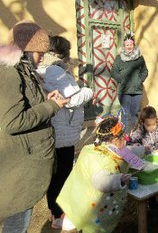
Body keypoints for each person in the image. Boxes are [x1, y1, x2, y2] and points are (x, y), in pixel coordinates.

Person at [0, 20, 69, 232]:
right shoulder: (11, 72)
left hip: (23, 163)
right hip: (19, 169)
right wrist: (50, 106)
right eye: (39, 54)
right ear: (27, 50)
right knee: (17, 221)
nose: (41, 59)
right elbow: (12, 121)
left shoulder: (21, 69)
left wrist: (46, 99)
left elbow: (22, 105)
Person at [36, 36, 94, 229]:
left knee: (59, 172)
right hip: (63, 130)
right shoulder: (54, 70)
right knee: (62, 173)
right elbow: (72, 98)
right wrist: (88, 91)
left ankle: (56, 212)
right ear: (62, 52)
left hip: (62, 127)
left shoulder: (50, 68)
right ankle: (58, 213)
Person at [56, 115, 144, 232]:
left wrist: (143, 149)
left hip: (80, 194)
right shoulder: (100, 158)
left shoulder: (99, 147)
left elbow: (126, 151)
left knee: (75, 217)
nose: (126, 138)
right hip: (89, 204)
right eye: (123, 136)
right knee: (85, 224)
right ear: (114, 140)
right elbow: (101, 181)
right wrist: (120, 179)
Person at [111, 32, 148, 134]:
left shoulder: (140, 58)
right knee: (125, 114)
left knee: (135, 113)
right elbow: (114, 72)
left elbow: (145, 71)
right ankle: (125, 135)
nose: (129, 47)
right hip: (124, 91)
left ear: (133, 45)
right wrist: (121, 79)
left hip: (137, 90)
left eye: (131, 45)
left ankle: (135, 134)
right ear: (124, 46)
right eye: (127, 45)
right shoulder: (119, 58)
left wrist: (139, 80)